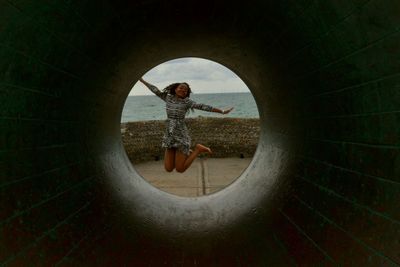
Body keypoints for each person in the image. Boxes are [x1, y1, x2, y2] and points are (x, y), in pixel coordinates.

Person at [139, 78, 234, 173]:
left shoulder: (187, 102)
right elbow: (154, 89)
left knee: (180, 169)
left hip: (181, 135)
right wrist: (142, 80)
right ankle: (188, 152)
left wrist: (222, 111)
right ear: (175, 89)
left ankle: (198, 149)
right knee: (168, 168)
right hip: (169, 135)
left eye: (186, 90)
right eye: (181, 88)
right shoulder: (167, 97)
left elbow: (203, 106)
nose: (183, 91)